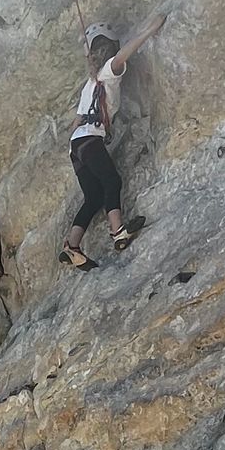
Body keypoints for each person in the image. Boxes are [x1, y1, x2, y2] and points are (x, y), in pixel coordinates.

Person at [62, 16, 165, 269]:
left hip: (76, 146)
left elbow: (76, 121)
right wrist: (149, 31)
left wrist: (78, 147)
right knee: (112, 181)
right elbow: (121, 59)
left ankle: (71, 247)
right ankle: (118, 231)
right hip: (89, 139)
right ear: (109, 47)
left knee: (94, 197)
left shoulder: (89, 85)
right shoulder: (107, 71)